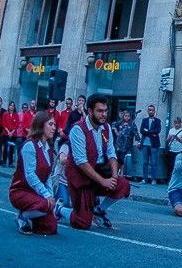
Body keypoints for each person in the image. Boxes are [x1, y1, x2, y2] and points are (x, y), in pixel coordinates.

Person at [65, 94, 131, 230]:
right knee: (82, 223)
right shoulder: (78, 129)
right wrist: (103, 181)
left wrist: (113, 176)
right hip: (81, 176)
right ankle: (59, 209)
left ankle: (99, 210)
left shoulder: (106, 128)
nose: (104, 114)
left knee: (122, 184)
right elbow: (81, 162)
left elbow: (112, 153)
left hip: (99, 171)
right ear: (90, 111)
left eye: (105, 111)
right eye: (100, 111)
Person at [10, 112, 72, 234]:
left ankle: (34, 215)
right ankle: (23, 216)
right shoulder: (29, 145)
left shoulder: (48, 148)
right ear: (40, 125)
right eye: (50, 124)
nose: (54, 127)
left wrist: (50, 196)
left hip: (37, 194)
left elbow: (48, 175)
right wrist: (46, 196)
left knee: (50, 228)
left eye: (54, 124)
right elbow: (30, 175)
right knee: (46, 205)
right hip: (21, 191)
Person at [138, 104, 162, 184]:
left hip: (154, 145)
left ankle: (153, 179)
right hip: (145, 144)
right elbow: (141, 130)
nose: (151, 111)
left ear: (154, 111)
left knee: (153, 162)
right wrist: (151, 132)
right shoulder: (144, 120)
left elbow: (158, 130)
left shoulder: (158, 121)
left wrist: (147, 131)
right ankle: (145, 179)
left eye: (152, 110)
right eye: (149, 110)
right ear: (148, 111)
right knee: (145, 162)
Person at [112, 110, 138, 177]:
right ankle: (116, 173)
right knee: (117, 158)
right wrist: (116, 132)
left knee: (122, 158)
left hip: (126, 144)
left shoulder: (132, 124)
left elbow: (136, 133)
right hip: (118, 144)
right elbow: (113, 125)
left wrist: (139, 141)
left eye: (128, 116)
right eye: (125, 116)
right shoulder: (119, 123)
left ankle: (122, 173)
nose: (127, 117)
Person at [0, 102, 19, 167]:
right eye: (11, 105)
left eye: (13, 106)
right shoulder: (5, 114)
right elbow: (3, 123)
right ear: (8, 106)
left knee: (11, 148)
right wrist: (8, 132)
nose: (12, 107)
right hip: (6, 133)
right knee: (5, 148)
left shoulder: (16, 115)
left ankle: (10, 163)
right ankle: (4, 162)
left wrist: (12, 132)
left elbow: (17, 124)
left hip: (13, 135)